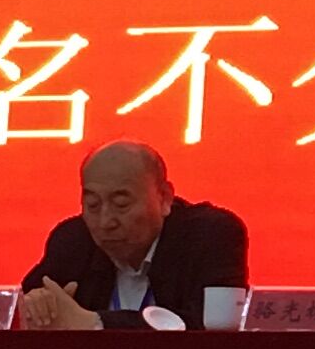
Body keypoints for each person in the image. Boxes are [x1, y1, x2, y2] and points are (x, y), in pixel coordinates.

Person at [17, 139, 246, 330]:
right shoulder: (73, 240)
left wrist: (96, 323)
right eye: (93, 205)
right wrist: (37, 308)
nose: (105, 222)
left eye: (121, 204)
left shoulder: (210, 235)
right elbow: (23, 303)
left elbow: (211, 326)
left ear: (164, 197)